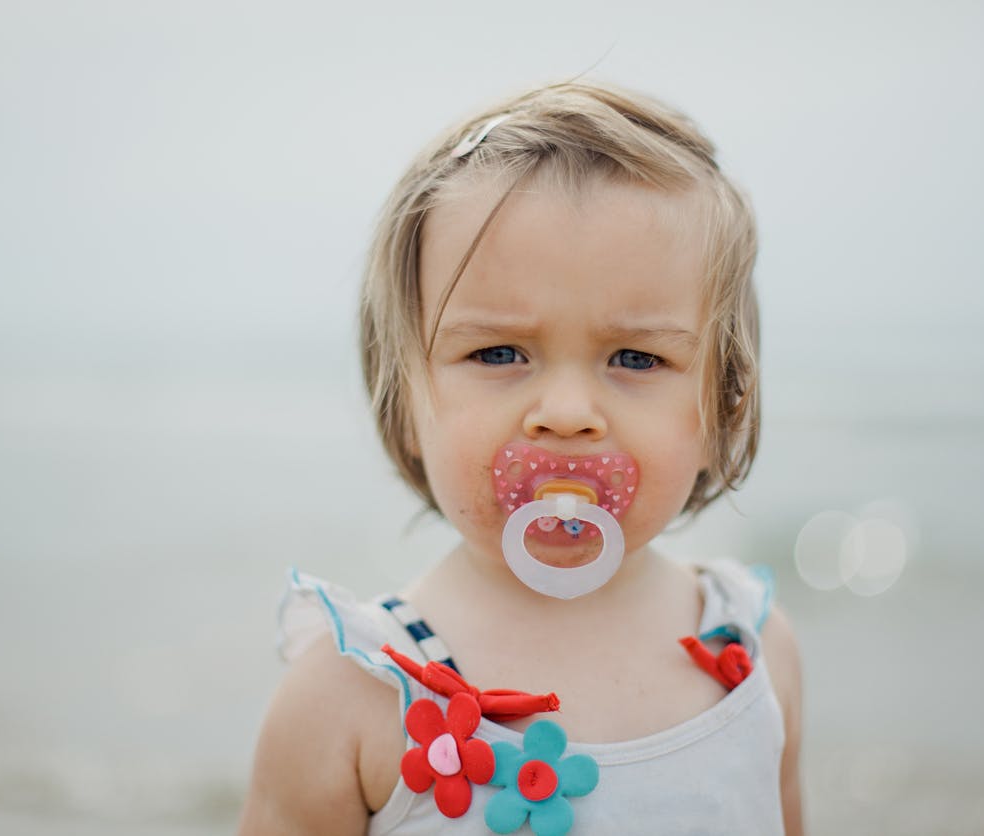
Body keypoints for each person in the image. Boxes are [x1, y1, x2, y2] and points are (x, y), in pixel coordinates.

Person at [238, 80, 803, 836]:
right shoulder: (353, 694)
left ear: (721, 407)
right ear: (405, 401)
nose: (567, 414)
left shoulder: (755, 656)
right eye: (498, 352)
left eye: (635, 358)